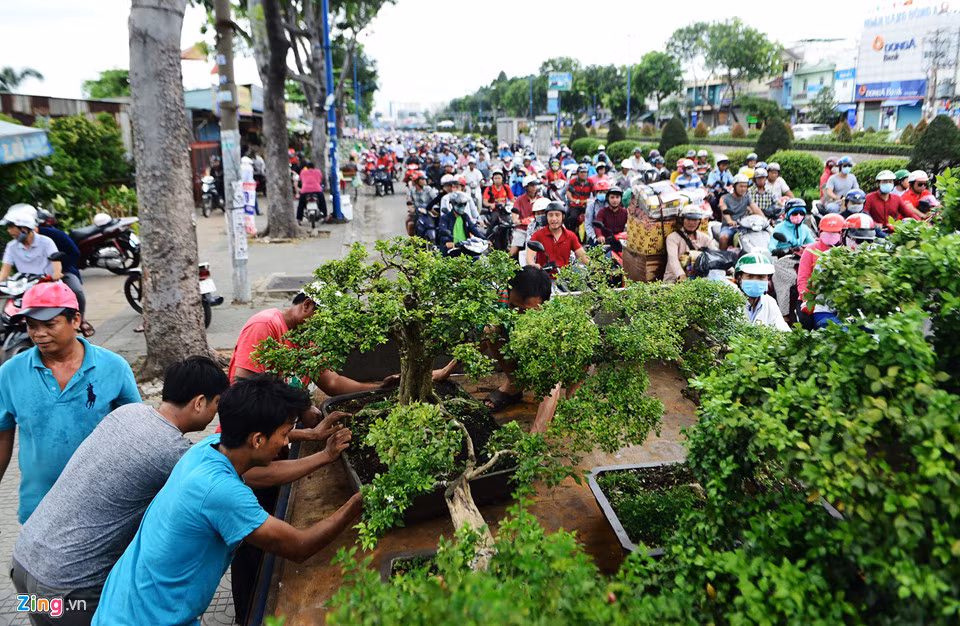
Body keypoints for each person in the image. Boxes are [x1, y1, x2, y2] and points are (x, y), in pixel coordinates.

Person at [91, 376, 364, 626]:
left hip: (122, 603)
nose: (285, 443)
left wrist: (324, 455)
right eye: (284, 433)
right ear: (257, 439)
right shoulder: (223, 493)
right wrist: (358, 502)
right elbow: (299, 546)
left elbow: (266, 474)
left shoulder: (205, 450)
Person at [11, 357, 231, 625]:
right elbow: (225, 480)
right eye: (217, 404)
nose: (216, 414)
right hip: (69, 589)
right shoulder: (172, 453)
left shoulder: (126, 413)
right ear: (199, 402)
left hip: (23, 566)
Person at [0, 282, 140, 524]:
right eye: (32, 326)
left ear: (75, 320)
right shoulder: (10, 372)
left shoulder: (114, 367)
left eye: (49, 324)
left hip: (103, 506)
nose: (39, 333)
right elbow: (2, 437)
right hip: (39, 509)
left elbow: (137, 431)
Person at [436, 266, 553, 411]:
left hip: (543, 363)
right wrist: (446, 370)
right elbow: (481, 338)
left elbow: (556, 380)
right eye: (514, 307)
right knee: (490, 330)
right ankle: (515, 383)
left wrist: (537, 431)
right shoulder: (500, 300)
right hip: (514, 352)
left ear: (546, 302)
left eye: (526, 311)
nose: (519, 315)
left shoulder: (554, 317)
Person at [797, 213, 845, 329]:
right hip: (814, 298)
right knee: (806, 322)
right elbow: (803, 278)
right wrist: (807, 300)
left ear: (842, 233)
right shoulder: (811, 250)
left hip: (839, 299)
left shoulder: (846, 252)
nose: (831, 235)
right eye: (827, 232)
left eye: (835, 233)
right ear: (819, 232)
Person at [769, 200, 815, 318]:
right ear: (788, 214)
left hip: (801, 259)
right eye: (795, 213)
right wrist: (781, 250)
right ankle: (784, 315)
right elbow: (771, 246)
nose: (798, 216)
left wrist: (805, 248)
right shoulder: (779, 228)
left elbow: (812, 244)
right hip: (783, 260)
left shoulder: (804, 229)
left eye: (801, 213)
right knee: (786, 281)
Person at [0, 207, 62, 284]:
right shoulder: (11, 246)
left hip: (48, 285)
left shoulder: (46, 242)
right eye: (8, 228)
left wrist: (56, 273)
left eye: (12, 227)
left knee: (76, 291)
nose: (9, 231)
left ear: (25, 227)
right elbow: (5, 272)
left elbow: (56, 261)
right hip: (25, 286)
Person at [735, 252, 790, 331]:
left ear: (767, 279)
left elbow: (783, 332)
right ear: (739, 279)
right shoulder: (729, 301)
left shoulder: (770, 302)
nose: (756, 281)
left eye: (761, 277)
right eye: (750, 276)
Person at [526, 202, 589, 271]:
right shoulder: (538, 235)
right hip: (545, 276)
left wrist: (595, 267)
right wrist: (533, 265)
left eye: (557, 215)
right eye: (550, 215)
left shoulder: (570, 236)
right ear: (546, 217)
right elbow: (529, 258)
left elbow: (583, 256)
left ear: (563, 216)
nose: (554, 219)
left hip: (564, 276)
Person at [664, 207, 716, 283]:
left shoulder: (705, 238)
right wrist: (681, 275)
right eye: (688, 219)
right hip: (674, 278)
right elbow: (673, 260)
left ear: (699, 221)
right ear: (682, 220)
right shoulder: (672, 238)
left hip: (699, 278)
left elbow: (715, 256)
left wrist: (730, 270)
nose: (691, 223)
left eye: (695, 220)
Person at [717, 174, 762, 250]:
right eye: (741, 186)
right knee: (723, 238)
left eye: (745, 186)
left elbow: (756, 209)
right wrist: (730, 221)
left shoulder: (747, 197)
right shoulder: (723, 198)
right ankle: (722, 257)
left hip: (744, 226)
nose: (743, 189)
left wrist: (764, 219)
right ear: (734, 186)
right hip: (729, 226)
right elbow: (723, 209)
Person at [405, 172, 437, 237]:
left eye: (424, 179)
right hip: (417, 212)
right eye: (422, 179)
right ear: (416, 181)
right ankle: (412, 240)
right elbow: (409, 201)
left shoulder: (428, 189)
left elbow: (435, 199)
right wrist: (412, 209)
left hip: (429, 210)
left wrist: (433, 208)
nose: (424, 181)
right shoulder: (411, 190)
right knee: (409, 222)